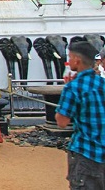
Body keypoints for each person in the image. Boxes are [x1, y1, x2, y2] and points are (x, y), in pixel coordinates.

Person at [55, 41, 105, 189]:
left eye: (70, 57)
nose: (69, 61)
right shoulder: (102, 83)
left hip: (85, 152)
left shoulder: (73, 87)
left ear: (77, 59)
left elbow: (61, 121)